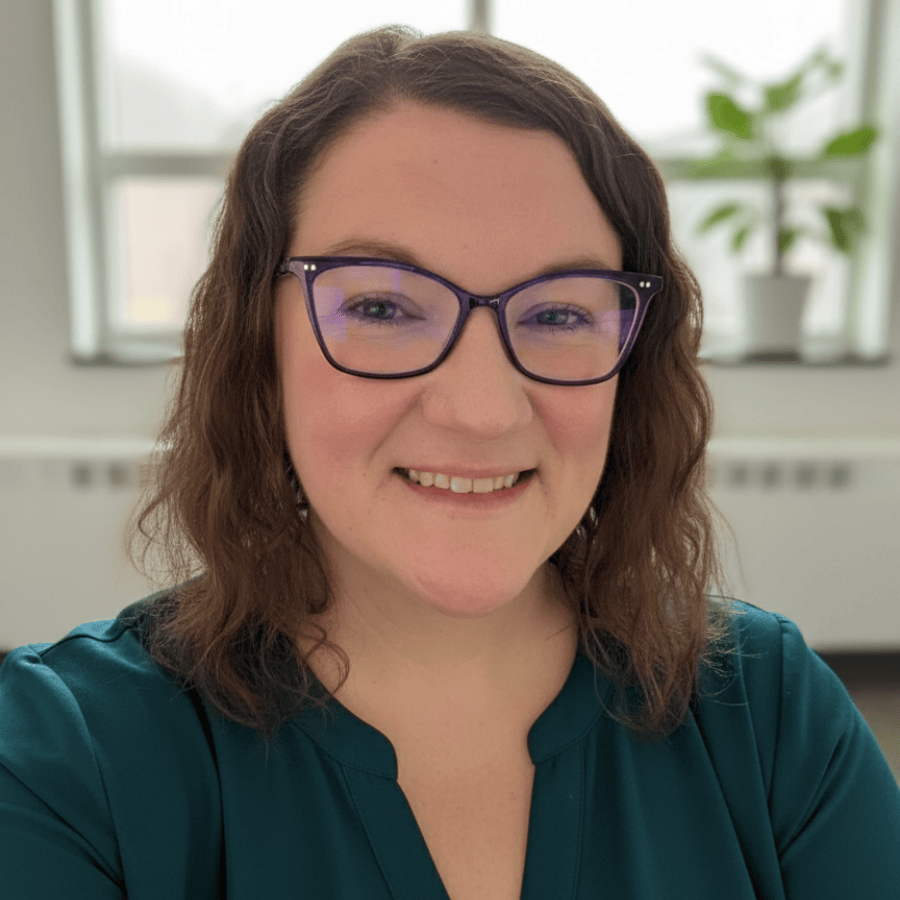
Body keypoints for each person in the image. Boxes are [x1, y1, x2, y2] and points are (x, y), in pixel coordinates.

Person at [1, 24, 898, 900]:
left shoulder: (769, 712)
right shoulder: (70, 761)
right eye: (383, 308)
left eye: (559, 314)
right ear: (258, 348)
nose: (482, 411)